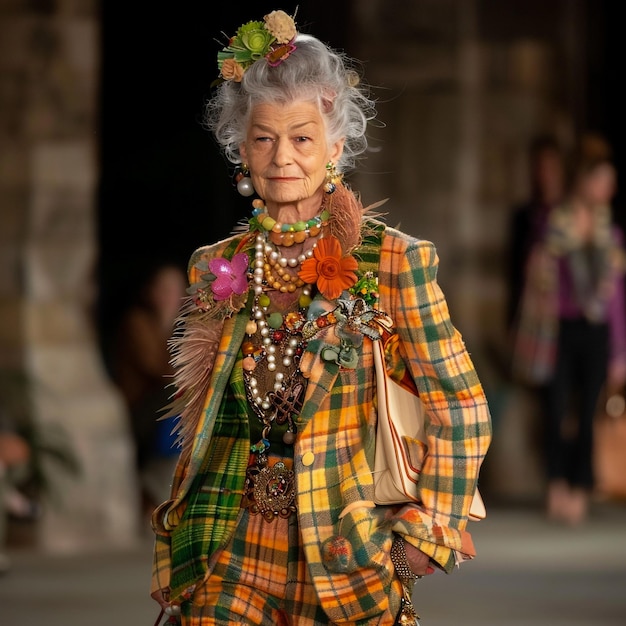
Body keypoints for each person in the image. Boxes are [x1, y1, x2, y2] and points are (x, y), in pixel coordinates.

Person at [149, 10, 492, 625]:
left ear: (335, 146)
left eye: (302, 138)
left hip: (349, 552)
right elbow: (206, 425)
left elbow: (460, 405)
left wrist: (428, 528)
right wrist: (184, 543)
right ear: (240, 147)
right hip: (233, 550)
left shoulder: (392, 261)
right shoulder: (215, 268)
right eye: (263, 138)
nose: (282, 157)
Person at [512, 132, 626, 525]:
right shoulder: (555, 224)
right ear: (585, 180)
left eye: (611, 182)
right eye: (602, 180)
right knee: (557, 408)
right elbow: (536, 275)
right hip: (559, 329)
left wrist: (619, 351)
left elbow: (615, 300)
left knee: (589, 409)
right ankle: (557, 483)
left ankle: (580, 486)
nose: (608, 189)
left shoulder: (610, 233)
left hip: (595, 332)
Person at [110, 263, 187, 525]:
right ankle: (152, 491)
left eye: (175, 289)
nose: (170, 296)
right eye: (164, 289)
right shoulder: (138, 322)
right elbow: (158, 369)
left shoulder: (185, 325)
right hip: (143, 407)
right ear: (151, 292)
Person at [507, 134, 566, 330]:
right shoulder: (525, 216)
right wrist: (512, 318)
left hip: (564, 313)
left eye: (551, 167)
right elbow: (514, 271)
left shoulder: (571, 214)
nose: (545, 175)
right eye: (540, 167)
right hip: (532, 312)